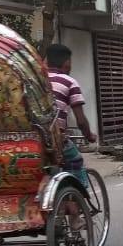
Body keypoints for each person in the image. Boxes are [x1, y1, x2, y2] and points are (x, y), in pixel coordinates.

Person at [43, 44, 96, 185]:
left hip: (33, 141)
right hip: (56, 141)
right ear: (67, 63)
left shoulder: (35, 80)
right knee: (75, 160)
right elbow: (81, 121)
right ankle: (77, 195)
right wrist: (89, 136)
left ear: (46, 61)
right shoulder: (69, 82)